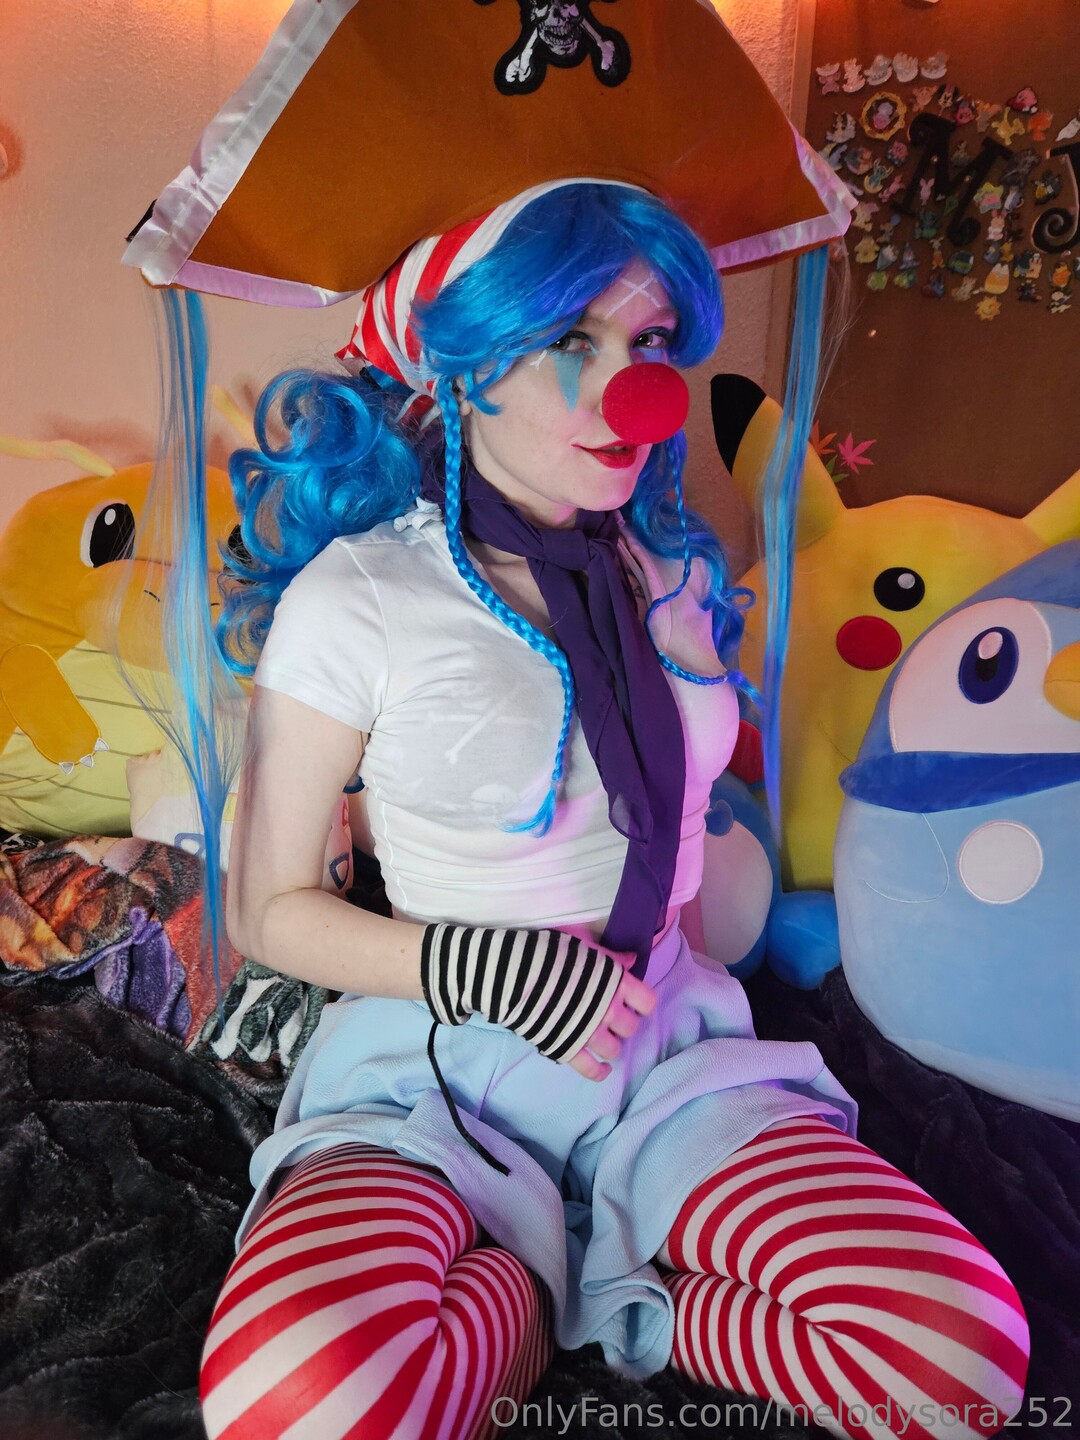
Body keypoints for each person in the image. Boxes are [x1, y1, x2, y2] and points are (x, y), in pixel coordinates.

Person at [120, 8, 1029, 1439]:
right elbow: (268, 908)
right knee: (298, 1405)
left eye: (651, 339)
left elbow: (683, 822)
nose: (636, 391)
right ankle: (539, 1283)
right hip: (437, 1063)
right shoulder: (361, 595)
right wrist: (473, 965)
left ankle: (616, 1286)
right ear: (464, 361)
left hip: (671, 1052)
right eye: (570, 340)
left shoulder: (670, 572)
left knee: (961, 1351)